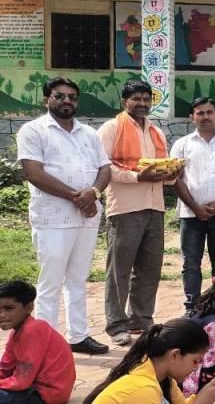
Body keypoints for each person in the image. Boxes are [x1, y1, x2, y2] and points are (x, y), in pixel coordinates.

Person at [16, 77, 111, 355]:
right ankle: (46, 343)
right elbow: (34, 173)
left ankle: (78, 335)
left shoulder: (89, 133)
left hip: (87, 217)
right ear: (47, 99)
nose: (66, 100)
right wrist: (77, 197)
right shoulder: (33, 130)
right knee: (51, 282)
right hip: (53, 219)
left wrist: (93, 192)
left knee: (77, 279)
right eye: (60, 96)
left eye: (72, 96)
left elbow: (105, 168)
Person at [98, 80, 177, 346]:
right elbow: (104, 167)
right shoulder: (111, 128)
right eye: (137, 99)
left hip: (155, 206)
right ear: (124, 101)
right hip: (125, 207)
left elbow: (162, 169)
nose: (142, 104)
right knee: (119, 270)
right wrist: (138, 177)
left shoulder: (156, 131)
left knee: (150, 268)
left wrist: (172, 173)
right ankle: (116, 324)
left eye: (146, 99)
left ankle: (141, 319)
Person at [170, 97, 215, 317]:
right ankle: (192, 307)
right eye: (200, 113)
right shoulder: (182, 145)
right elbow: (175, 178)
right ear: (192, 117)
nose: (205, 117)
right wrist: (195, 207)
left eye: (209, 112)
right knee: (191, 264)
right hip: (191, 215)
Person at [83, 319, 215, 404]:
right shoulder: (143, 389)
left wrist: (205, 397)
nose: (196, 368)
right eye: (195, 361)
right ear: (174, 355)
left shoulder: (165, 380)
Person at [0, 280, 75, 404]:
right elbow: (4, 368)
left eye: (9, 309)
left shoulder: (33, 330)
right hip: (30, 389)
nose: (2, 315)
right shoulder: (16, 334)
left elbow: (21, 382)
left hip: (46, 394)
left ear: (29, 308)